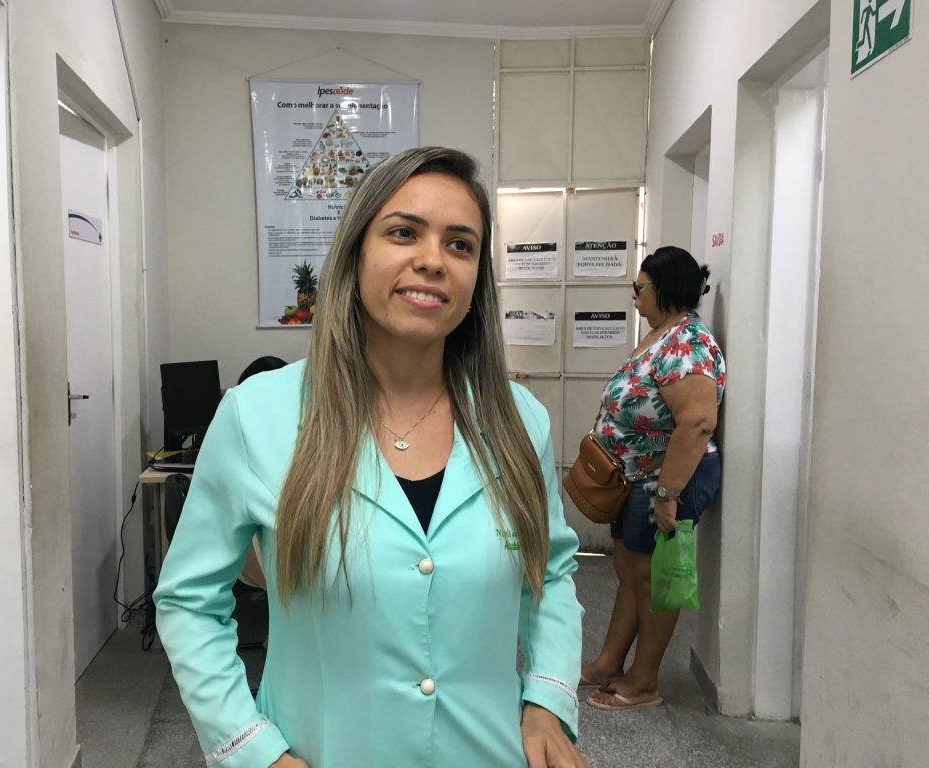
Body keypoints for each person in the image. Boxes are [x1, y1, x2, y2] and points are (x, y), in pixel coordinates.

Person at [154, 147, 588, 768]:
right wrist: (252, 751)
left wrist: (547, 699)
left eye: (460, 244)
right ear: (355, 254)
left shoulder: (519, 419)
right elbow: (190, 601)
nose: (433, 260)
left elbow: (550, 574)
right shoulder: (258, 415)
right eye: (404, 233)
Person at [580, 246, 725, 711]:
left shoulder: (689, 343)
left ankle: (644, 682)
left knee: (652, 579)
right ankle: (610, 663)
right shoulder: (661, 334)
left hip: (665, 479)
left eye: (639, 287)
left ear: (664, 288)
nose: (634, 296)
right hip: (634, 475)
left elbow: (697, 422)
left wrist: (667, 494)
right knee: (630, 571)